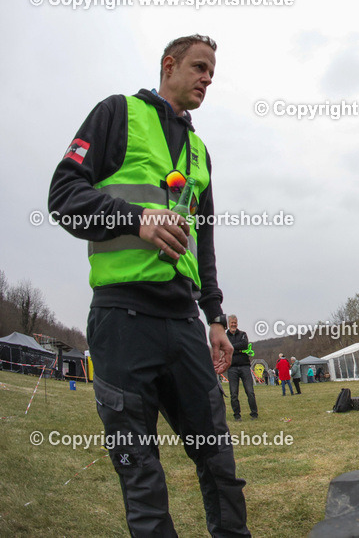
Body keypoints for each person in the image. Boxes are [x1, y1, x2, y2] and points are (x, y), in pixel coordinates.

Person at [47, 34, 249, 536]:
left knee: (219, 463)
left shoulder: (200, 152)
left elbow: (204, 243)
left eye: (212, 73)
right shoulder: (117, 113)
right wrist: (136, 218)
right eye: (199, 67)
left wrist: (215, 318)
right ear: (169, 65)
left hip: (183, 324)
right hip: (122, 320)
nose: (207, 79)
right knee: (142, 477)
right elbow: (63, 195)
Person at [226, 315, 258, 421]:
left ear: (237, 323)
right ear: (228, 323)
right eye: (232, 322)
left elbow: (245, 345)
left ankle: (254, 413)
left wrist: (231, 347)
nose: (233, 324)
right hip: (232, 367)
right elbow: (224, 347)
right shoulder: (225, 336)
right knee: (233, 393)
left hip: (245, 366)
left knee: (250, 391)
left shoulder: (243, 334)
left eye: (235, 322)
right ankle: (237, 415)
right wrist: (238, 349)